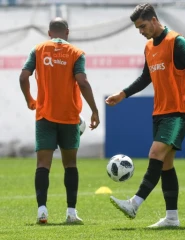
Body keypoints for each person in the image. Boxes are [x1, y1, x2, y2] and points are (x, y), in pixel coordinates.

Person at [105, 3, 185, 227]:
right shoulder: (149, 47)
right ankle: (172, 218)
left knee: (156, 153)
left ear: (154, 20)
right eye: (138, 28)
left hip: (178, 112)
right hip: (159, 112)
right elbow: (145, 78)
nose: (141, 31)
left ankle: (134, 203)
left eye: (142, 26)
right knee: (166, 165)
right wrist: (123, 94)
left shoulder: (177, 42)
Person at [19, 17, 100, 224]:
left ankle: (42, 212)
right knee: (70, 164)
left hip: (45, 116)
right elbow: (82, 82)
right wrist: (94, 110)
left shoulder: (38, 49)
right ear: (67, 32)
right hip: (69, 117)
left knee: (43, 165)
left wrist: (30, 100)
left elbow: (23, 76)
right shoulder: (76, 53)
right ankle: (71, 213)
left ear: (49, 33)